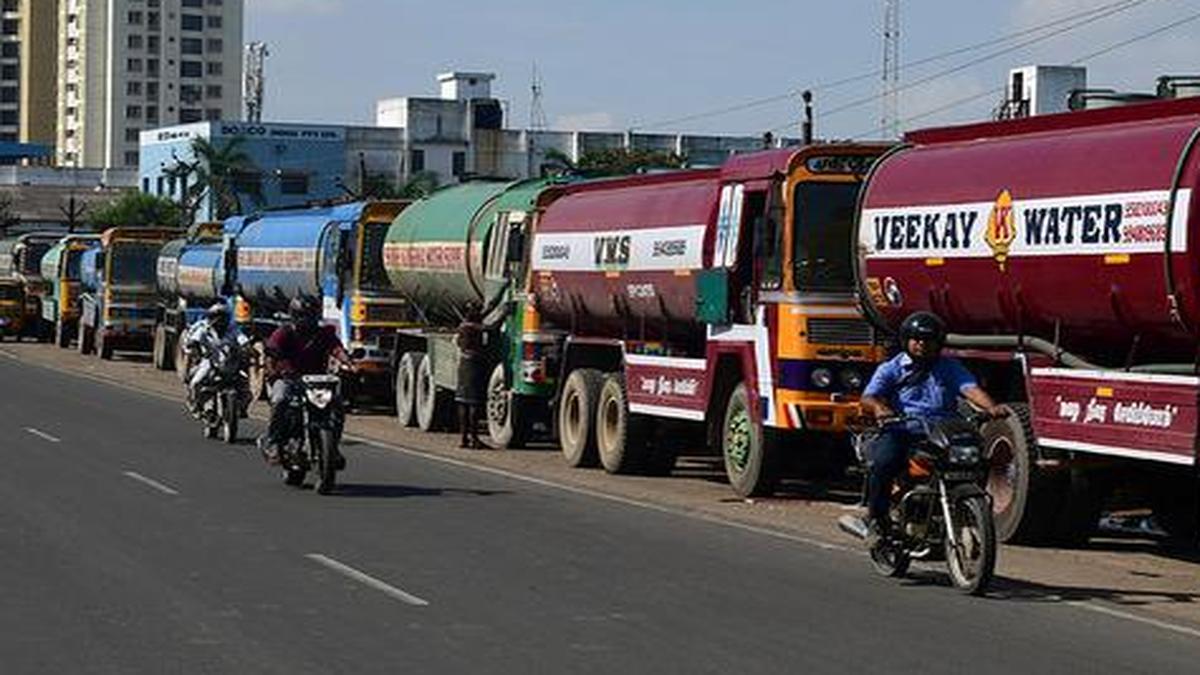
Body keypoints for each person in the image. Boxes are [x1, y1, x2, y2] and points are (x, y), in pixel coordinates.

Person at [859, 311, 1007, 540]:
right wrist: (880, 408)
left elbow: (969, 388)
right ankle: (877, 520)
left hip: (942, 431)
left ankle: (963, 507)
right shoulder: (892, 368)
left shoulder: (949, 366)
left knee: (976, 459)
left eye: (929, 340)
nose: (922, 345)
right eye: (917, 339)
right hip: (903, 430)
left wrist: (992, 408)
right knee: (883, 463)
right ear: (906, 340)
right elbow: (868, 397)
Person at [259, 296, 355, 463]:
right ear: (294, 315)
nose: (308, 320)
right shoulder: (284, 332)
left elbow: (336, 348)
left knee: (336, 405)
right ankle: (272, 442)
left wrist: (348, 361)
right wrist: (273, 370)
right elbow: (271, 351)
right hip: (288, 379)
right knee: (280, 400)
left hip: (317, 382)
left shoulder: (324, 333)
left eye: (311, 315)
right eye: (303, 315)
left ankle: (333, 448)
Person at [183, 303, 238, 415]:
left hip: (228, 362)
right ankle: (196, 404)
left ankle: (240, 408)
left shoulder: (232, 330)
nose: (220, 320)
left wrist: (247, 350)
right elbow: (194, 340)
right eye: (217, 317)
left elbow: (243, 340)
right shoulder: (204, 329)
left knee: (245, 386)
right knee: (196, 383)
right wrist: (194, 345)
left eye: (223, 317)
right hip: (209, 362)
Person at [455, 302, 487, 449]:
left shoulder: (462, 327)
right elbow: (491, 327)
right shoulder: (477, 328)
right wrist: (505, 313)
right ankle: (474, 438)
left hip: (463, 363)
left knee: (463, 402)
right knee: (474, 402)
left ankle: (463, 439)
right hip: (474, 365)